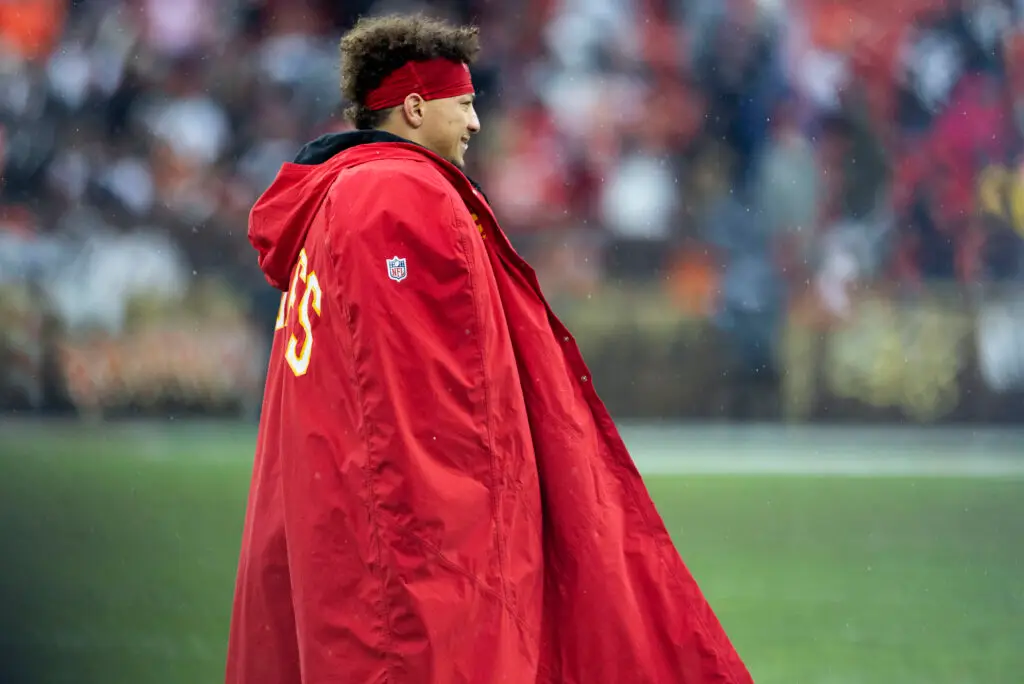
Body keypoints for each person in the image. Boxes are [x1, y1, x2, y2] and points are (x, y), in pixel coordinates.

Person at [226, 13, 752, 684]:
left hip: (334, 510)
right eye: (465, 104)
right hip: (401, 536)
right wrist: (478, 536)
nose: (476, 124)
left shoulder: (346, 190)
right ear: (415, 107)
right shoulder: (395, 192)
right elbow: (419, 402)